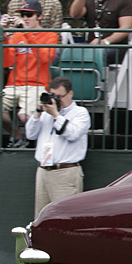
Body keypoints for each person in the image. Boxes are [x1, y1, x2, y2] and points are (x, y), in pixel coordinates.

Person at [0, 0, 59, 148]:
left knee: (25, 116)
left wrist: (27, 33)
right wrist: (5, 35)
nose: (25, 18)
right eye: (22, 15)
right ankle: (18, 137)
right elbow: (6, 62)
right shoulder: (17, 35)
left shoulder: (50, 35)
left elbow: (46, 58)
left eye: (28, 15)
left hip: (37, 84)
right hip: (14, 84)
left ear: (39, 16)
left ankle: (34, 142)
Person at [25, 76, 90, 218]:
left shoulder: (80, 113)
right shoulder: (45, 114)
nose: (56, 100)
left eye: (60, 96)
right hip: (43, 171)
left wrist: (55, 115)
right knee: (41, 218)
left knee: (65, 218)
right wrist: (37, 112)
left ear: (70, 94)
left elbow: (72, 133)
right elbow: (30, 134)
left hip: (65, 173)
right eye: (53, 96)